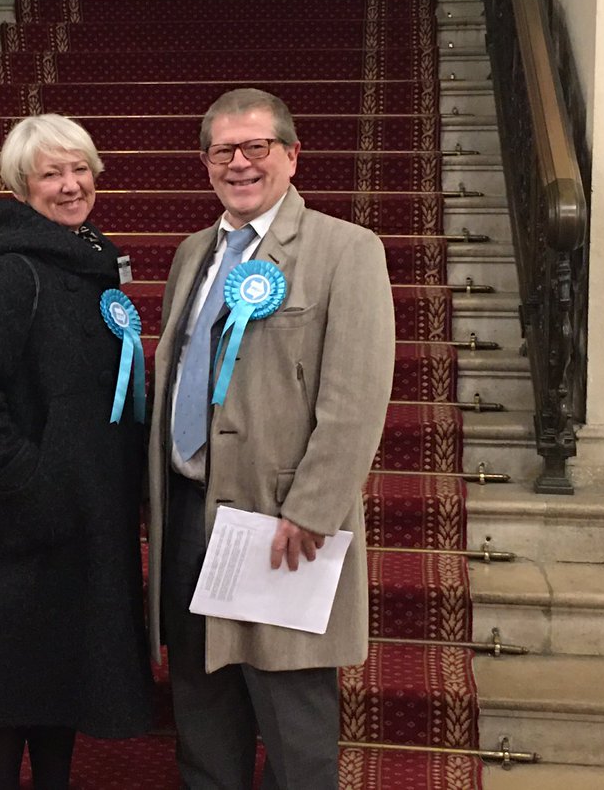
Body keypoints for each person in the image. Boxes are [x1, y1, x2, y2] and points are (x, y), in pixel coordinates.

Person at [147, 89, 396, 789]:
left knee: (294, 730)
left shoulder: (345, 251)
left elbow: (355, 397)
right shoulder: (193, 254)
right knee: (203, 721)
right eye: (223, 150)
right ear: (205, 164)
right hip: (189, 518)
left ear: (291, 155)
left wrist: (311, 509)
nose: (240, 164)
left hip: (279, 527)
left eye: (257, 147)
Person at [0, 114, 152, 789]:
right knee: (8, 679)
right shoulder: (14, 275)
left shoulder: (91, 265)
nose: (70, 185)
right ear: (22, 190)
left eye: (79, 168)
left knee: (62, 673)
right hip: (22, 523)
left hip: (83, 515)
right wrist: (37, 485)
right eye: (51, 174)